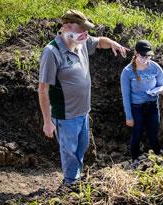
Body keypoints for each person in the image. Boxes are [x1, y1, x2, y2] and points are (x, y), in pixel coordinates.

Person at [38, 9, 128, 184]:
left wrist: (113, 43)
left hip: (83, 113)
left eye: (86, 30)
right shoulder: (52, 52)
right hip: (65, 115)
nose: (85, 34)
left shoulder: (81, 42)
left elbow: (100, 41)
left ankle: (75, 176)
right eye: (81, 29)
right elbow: (43, 89)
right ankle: (70, 182)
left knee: (81, 147)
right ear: (66, 27)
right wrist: (47, 122)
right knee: (69, 151)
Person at [120, 40, 163, 166]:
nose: (145, 59)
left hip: (152, 107)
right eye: (143, 56)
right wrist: (129, 117)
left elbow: (161, 86)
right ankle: (134, 160)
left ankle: (159, 159)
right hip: (136, 108)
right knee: (136, 134)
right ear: (136, 53)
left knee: (153, 133)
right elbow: (125, 96)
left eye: (148, 56)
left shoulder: (155, 68)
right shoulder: (127, 72)